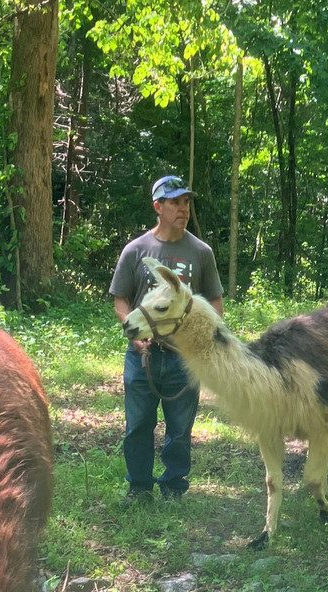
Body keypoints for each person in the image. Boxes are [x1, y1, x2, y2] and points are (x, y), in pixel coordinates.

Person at [110, 175, 224, 503]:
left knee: (180, 429)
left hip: (183, 358)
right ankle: (140, 488)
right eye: (175, 202)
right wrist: (134, 337)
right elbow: (121, 301)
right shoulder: (136, 250)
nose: (183, 208)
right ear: (158, 207)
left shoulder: (200, 252)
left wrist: (205, 338)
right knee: (137, 426)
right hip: (143, 355)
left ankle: (174, 487)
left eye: (186, 202)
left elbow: (214, 301)